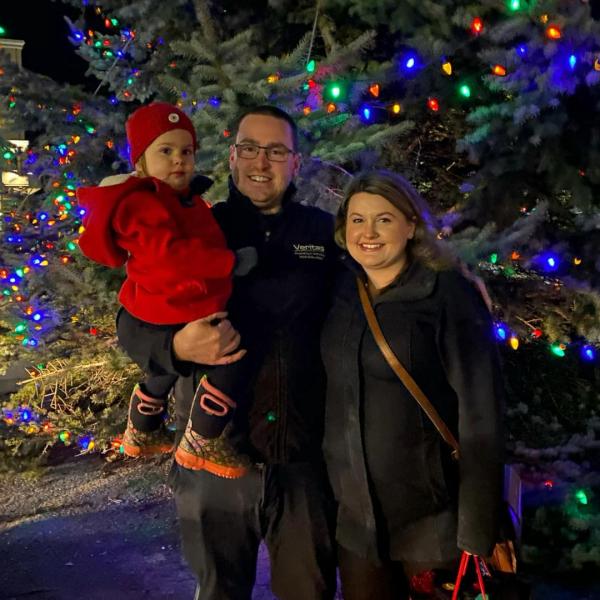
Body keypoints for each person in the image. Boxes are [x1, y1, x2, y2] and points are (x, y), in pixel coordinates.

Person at [116, 106, 338, 599]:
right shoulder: (192, 227)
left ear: (295, 163)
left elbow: (383, 269)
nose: (263, 161)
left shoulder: (325, 234)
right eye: (251, 149)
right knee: (218, 590)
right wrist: (173, 345)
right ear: (233, 158)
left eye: (277, 150)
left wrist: (453, 278)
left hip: (302, 462)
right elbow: (131, 320)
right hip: (213, 460)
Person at [321, 170, 505, 599]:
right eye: (357, 219)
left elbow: (482, 414)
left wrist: (477, 530)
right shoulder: (340, 290)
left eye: (384, 219)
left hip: (434, 524)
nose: (368, 232)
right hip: (357, 524)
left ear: (410, 226)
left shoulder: (447, 295)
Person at [77, 101, 259, 478]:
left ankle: (142, 425)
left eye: (186, 151)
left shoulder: (181, 201)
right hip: (177, 300)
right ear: (141, 161)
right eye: (166, 151)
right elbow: (172, 257)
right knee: (232, 353)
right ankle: (203, 437)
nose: (179, 160)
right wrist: (229, 262)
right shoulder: (144, 204)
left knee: (185, 360)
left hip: (177, 299)